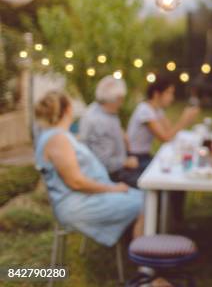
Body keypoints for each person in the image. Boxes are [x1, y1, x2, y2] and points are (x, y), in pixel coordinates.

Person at [34, 91, 144, 247]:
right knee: (146, 202)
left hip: (86, 198)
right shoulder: (58, 139)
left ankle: (139, 249)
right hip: (77, 204)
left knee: (144, 196)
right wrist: (111, 189)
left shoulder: (57, 135)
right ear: (68, 110)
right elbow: (76, 182)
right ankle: (144, 262)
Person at [79, 76, 142, 188]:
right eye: (121, 99)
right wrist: (126, 162)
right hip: (110, 177)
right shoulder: (100, 122)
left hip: (117, 169)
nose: (122, 103)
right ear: (117, 98)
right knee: (152, 183)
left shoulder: (98, 109)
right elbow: (103, 163)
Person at [126, 75, 199, 165]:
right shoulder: (144, 110)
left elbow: (170, 132)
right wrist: (183, 120)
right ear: (156, 94)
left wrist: (187, 120)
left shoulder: (157, 110)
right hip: (136, 158)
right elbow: (165, 138)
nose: (172, 98)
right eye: (168, 93)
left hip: (145, 155)